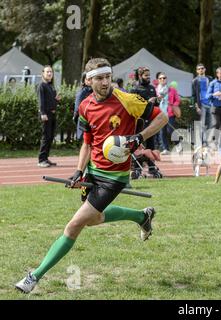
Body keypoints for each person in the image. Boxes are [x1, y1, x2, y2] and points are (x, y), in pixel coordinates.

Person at [15, 58, 168, 294]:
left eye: (108, 77)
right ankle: (142, 216)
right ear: (89, 80)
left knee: (74, 225)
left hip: (114, 178)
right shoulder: (85, 106)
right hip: (92, 172)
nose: (105, 82)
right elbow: (87, 144)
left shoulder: (126, 100)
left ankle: (34, 276)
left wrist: (139, 136)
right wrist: (78, 170)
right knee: (94, 219)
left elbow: (162, 118)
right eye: (99, 78)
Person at [37, 65, 60, 168]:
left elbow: (51, 101)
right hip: (45, 115)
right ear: (43, 73)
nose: (50, 73)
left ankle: (45, 158)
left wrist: (56, 100)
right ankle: (41, 160)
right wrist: (42, 113)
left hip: (52, 114)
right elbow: (41, 101)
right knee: (46, 137)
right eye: (47, 72)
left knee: (50, 137)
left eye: (51, 72)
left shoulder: (50, 86)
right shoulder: (41, 85)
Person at [192, 63, 214, 146]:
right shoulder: (195, 81)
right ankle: (202, 142)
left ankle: (207, 142)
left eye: (202, 68)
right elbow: (194, 95)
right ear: (197, 71)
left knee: (210, 124)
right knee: (202, 124)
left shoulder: (210, 79)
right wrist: (197, 107)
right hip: (202, 105)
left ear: (205, 69)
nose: (201, 70)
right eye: (199, 69)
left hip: (210, 104)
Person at [73, 72, 93, 141]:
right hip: (84, 121)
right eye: (88, 79)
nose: (90, 81)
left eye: (91, 79)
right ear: (84, 80)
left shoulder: (93, 91)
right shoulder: (82, 92)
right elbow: (77, 109)